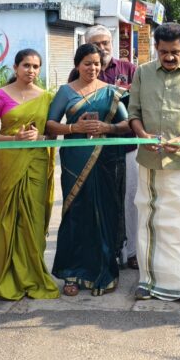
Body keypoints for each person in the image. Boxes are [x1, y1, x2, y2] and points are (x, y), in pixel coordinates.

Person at [129, 23, 180, 307]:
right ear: (156, 48)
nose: (170, 57)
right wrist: (142, 135)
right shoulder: (142, 73)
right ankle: (148, 282)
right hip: (150, 161)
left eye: (175, 52)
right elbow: (134, 113)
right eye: (164, 52)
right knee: (151, 223)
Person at [47, 44, 129, 295]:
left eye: (96, 63)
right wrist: (74, 129)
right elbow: (50, 125)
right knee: (75, 214)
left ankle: (102, 275)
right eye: (87, 63)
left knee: (103, 214)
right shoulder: (65, 91)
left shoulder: (111, 92)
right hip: (74, 161)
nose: (92, 68)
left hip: (104, 161)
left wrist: (108, 128)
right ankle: (71, 274)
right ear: (77, 65)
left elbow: (126, 124)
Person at [0, 49, 58, 300]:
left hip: (37, 161)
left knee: (34, 219)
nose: (31, 71)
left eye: (36, 66)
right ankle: (6, 274)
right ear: (15, 67)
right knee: (9, 216)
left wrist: (40, 137)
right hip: (9, 160)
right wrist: (13, 138)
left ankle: (34, 275)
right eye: (26, 65)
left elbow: (52, 133)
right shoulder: (0, 96)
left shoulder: (47, 97)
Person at [79, 25, 138, 269]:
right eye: (97, 43)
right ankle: (106, 251)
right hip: (95, 151)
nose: (102, 48)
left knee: (131, 200)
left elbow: (140, 100)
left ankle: (132, 252)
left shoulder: (128, 69)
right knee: (102, 201)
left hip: (127, 146)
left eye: (106, 43)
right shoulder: (81, 72)